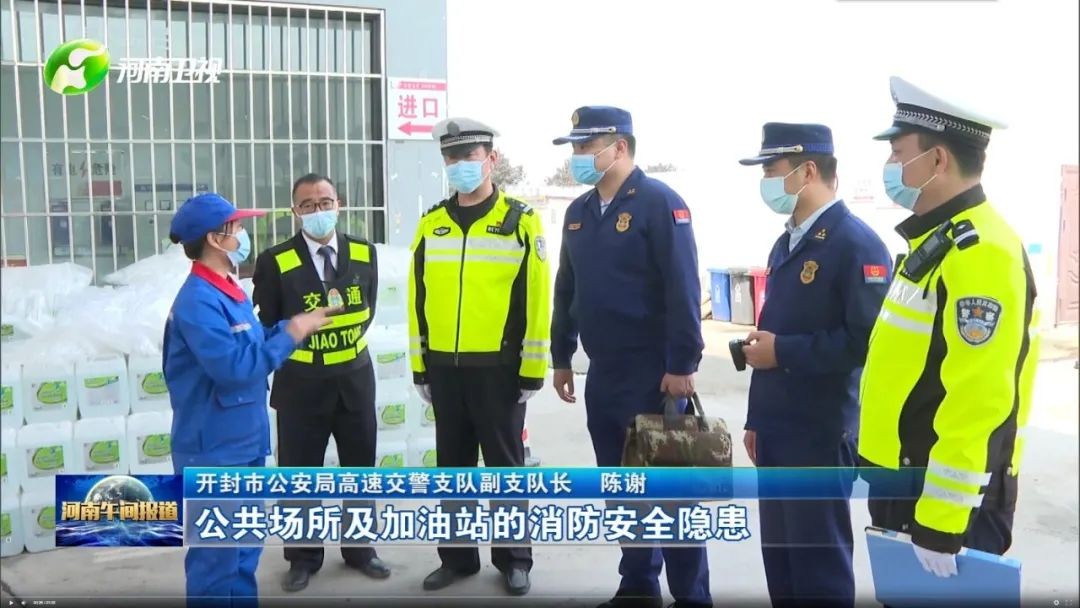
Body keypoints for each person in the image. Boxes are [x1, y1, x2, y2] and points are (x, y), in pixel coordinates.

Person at [859, 77, 1040, 579]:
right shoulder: (937, 240)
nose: (890, 166)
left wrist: (941, 521)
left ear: (937, 159)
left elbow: (978, 400)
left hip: (945, 503)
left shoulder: (981, 253)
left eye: (898, 153)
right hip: (907, 483)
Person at [549, 106, 710, 608]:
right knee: (621, 488)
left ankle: (692, 595)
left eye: (585, 147)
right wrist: (561, 354)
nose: (577, 156)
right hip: (604, 374)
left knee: (672, 494)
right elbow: (567, 288)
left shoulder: (660, 203)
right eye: (575, 148)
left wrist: (682, 364)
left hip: (655, 375)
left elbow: (683, 287)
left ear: (619, 147)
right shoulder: (578, 213)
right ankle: (638, 585)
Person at [737, 123, 892, 607]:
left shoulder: (856, 245)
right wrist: (758, 420)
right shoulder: (787, 243)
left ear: (807, 171)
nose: (766, 180)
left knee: (818, 565)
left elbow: (863, 343)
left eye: (772, 170)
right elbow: (775, 329)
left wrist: (782, 352)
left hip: (820, 434)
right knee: (781, 560)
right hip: (778, 429)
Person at [164, 192, 335, 607]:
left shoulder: (229, 288)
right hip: (213, 451)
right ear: (215, 238)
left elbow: (252, 341)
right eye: (237, 227)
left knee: (243, 554)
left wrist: (293, 325)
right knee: (215, 562)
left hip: (245, 444)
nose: (243, 234)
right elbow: (235, 369)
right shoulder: (197, 302)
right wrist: (292, 335)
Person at [408, 117, 550, 596]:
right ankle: (457, 558)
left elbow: (537, 300)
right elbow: (417, 300)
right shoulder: (432, 224)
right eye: (451, 157)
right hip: (445, 369)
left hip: (499, 371)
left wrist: (532, 368)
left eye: (469, 156)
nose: (460, 165)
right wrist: (420, 365)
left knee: (505, 469)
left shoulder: (520, 222)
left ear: (491, 159)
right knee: (453, 469)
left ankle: (514, 559)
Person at [251, 173, 391, 592]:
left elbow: (367, 309)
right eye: (308, 205)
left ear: (339, 203)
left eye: (325, 202)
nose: (318, 211)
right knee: (300, 475)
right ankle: (303, 557)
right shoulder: (275, 260)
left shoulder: (364, 252)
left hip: (354, 380)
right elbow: (268, 324)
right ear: (295, 211)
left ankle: (360, 549)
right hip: (301, 385)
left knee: (359, 470)